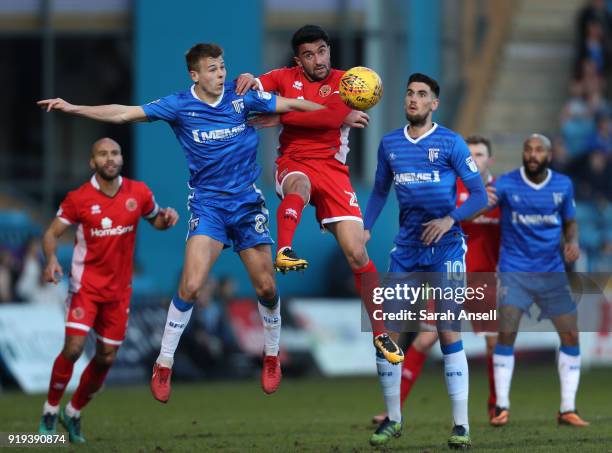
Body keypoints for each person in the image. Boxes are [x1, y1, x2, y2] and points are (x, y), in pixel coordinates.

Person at [37, 43, 324, 405]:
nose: (220, 74)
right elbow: (124, 114)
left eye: (222, 67)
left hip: (248, 205)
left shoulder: (242, 96)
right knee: (190, 285)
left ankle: (270, 355)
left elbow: (294, 106)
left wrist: (339, 114)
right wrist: (73, 107)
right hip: (209, 207)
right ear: (195, 75)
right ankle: (164, 362)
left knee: (266, 286)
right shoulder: (178, 105)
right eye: (212, 69)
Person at [235, 24, 404, 365]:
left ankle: (380, 333)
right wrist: (249, 78)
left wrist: (283, 114)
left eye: (322, 51)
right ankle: (283, 250)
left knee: (357, 253)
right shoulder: (283, 77)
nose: (318, 60)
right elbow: (253, 94)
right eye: (309, 55)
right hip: (294, 161)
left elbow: (331, 114)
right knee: (299, 187)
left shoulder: (350, 84)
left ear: (329, 50)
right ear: (298, 60)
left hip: (334, 171)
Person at [363, 73, 488, 448]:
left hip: (447, 248)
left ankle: (461, 425)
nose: (413, 99)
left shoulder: (450, 143)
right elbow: (379, 191)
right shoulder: (389, 145)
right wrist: (366, 228)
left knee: (448, 331)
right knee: (387, 336)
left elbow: (479, 196)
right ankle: (393, 419)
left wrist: (450, 219)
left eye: (422, 95)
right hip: (406, 252)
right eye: (410, 94)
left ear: (434, 103)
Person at [37, 138, 179, 443]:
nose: (110, 158)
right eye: (103, 154)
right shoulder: (79, 198)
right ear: (93, 162)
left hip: (118, 293)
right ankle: (50, 410)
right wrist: (50, 260)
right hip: (84, 288)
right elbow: (51, 232)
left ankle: (73, 412)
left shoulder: (138, 192)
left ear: (121, 158)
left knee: (106, 358)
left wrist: (167, 220)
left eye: (114, 153)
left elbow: (156, 220)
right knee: (74, 349)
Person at [371, 135, 501, 426]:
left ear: (489, 160)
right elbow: (441, 222)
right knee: (427, 337)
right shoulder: (452, 187)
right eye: (472, 154)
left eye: (480, 154)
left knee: (495, 343)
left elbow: (508, 239)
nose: (475, 159)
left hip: (485, 279)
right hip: (449, 270)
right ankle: (393, 409)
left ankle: (496, 406)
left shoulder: (498, 194)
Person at [487, 133, 589, 427]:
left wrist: (572, 241)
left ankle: (567, 409)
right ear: (523, 153)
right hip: (514, 270)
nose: (532, 155)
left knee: (571, 335)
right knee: (507, 333)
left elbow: (570, 222)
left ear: (548, 155)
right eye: (528, 149)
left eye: (539, 150)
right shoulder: (505, 183)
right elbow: (482, 208)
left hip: (551, 271)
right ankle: (501, 407)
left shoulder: (562, 185)